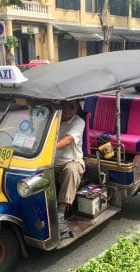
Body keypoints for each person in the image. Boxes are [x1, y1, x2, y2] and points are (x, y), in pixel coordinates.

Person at [54, 99, 85, 238]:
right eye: (64, 106)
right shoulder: (52, 119)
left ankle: (61, 214)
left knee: (71, 170)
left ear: (76, 108)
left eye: (71, 107)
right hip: (48, 163)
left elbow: (68, 140)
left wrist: (47, 148)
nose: (67, 110)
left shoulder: (78, 122)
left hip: (70, 162)